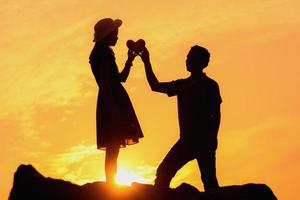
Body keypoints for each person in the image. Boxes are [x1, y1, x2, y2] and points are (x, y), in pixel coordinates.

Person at [139, 45, 222, 191]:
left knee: (209, 182)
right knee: (164, 173)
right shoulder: (183, 85)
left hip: (203, 141)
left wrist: (213, 138)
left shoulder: (210, 86)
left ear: (201, 62)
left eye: (191, 58)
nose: (187, 60)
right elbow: (155, 86)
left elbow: (216, 114)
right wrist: (146, 61)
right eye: (187, 57)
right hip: (187, 141)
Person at [89, 18, 143, 184]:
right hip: (112, 101)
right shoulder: (103, 53)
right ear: (108, 34)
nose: (118, 37)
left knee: (114, 146)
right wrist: (113, 109)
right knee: (113, 146)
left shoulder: (102, 52)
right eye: (115, 34)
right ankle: (111, 184)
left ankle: (111, 183)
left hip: (112, 99)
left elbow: (120, 78)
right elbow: (106, 83)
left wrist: (129, 60)